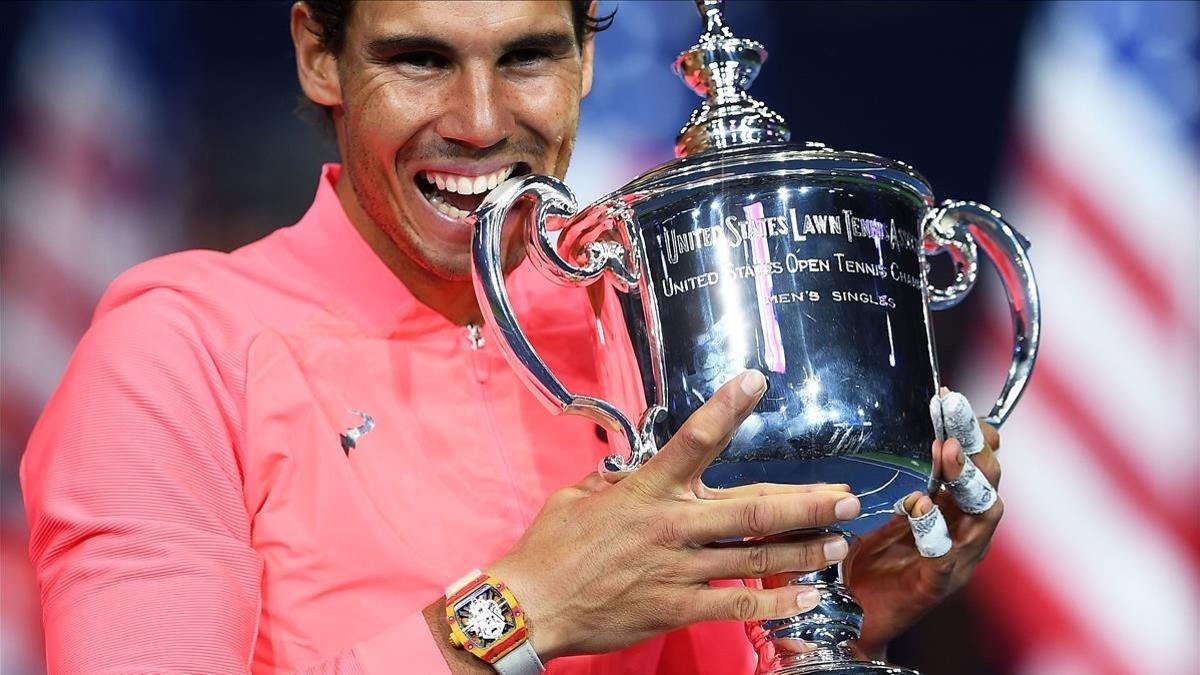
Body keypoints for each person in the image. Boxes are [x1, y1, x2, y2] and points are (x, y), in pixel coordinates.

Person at [20, 2, 1005, 673]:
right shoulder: (175, 350)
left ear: (584, 59)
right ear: (319, 55)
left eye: (528, 55)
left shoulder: (631, 330)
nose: (481, 121)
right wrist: (516, 613)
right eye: (420, 59)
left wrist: (832, 613)